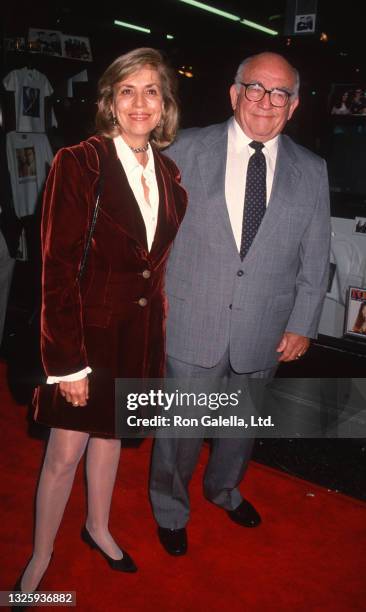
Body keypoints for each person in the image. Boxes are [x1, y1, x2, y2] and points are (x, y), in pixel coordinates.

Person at [14, 47, 186, 594]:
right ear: (110, 101)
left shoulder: (170, 171)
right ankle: (40, 558)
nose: (140, 103)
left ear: (165, 105)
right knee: (65, 450)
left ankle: (98, 527)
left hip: (138, 337)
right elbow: (56, 269)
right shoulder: (80, 160)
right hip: (84, 336)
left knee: (111, 436)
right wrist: (68, 364)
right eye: (127, 91)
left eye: (151, 91)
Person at [149, 52, 330, 555]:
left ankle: (224, 489)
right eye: (255, 88)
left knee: (240, 425)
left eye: (280, 94)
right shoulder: (180, 149)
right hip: (189, 317)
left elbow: (316, 258)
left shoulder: (311, 171)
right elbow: (149, 237)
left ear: (292, 107)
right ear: (234, 94)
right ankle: (170, 507)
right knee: (179, 430)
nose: (266, 102)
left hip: (266, 327)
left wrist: (303, 324)